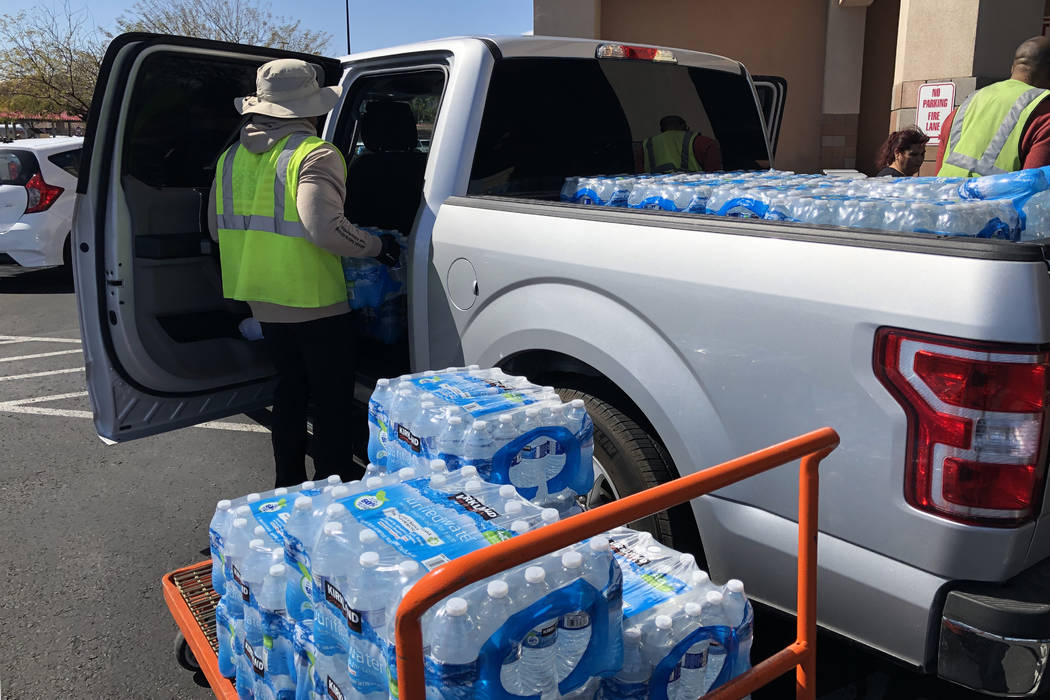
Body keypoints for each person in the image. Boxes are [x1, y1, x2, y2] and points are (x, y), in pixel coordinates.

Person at [208, 59, 400, 488]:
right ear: (310, 109)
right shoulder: (315, 153)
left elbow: (214, 230)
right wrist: (378, 248)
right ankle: (333, 480)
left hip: (262, 296)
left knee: (290, 392)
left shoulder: (231, 157)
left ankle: (288, 482)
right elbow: (326, 229)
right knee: (331, 398)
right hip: (315, 299)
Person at [936, 35, 1050, 176]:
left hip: (946, 195)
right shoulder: (1044, 115)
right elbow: (1037, 187)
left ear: (1012, 68)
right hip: (998, 198)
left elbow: (939, 170)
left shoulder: (965, 105)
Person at [641, 115, 722, 173]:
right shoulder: (702, 142)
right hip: (692, 191)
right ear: (684, 126)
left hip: (656, 192)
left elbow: (639, 174)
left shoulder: (646, 145)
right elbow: (714, 173)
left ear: (661, 129)